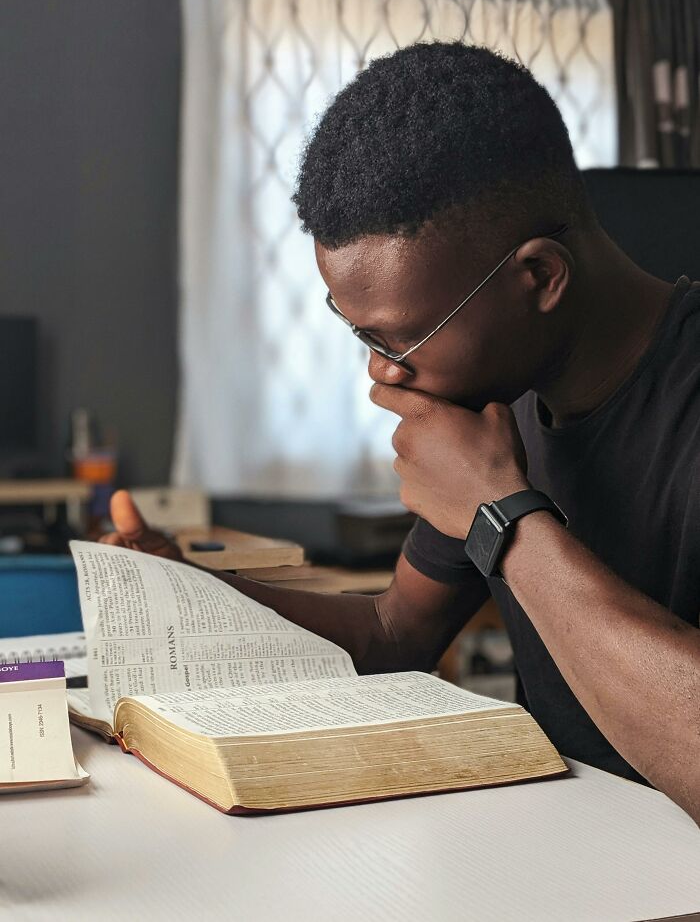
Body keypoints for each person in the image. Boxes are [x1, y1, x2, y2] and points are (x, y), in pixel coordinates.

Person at [102, 43, 700, 823]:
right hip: (559, 861)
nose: (383, 376)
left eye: (398, 340)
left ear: (540, 278)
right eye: (363, 339)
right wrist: (192, 594)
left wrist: (505, 520)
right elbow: (395, 633)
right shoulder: (498, 399)